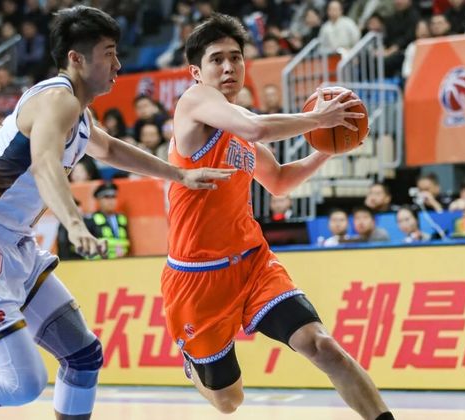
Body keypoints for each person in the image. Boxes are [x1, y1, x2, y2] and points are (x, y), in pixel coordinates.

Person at [0, 6, 233, 420]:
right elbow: (44, 164)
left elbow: (110, 149)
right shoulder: (57, 100)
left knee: (83, 356)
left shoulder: (77, 112)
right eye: (108, 53)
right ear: (76, 58)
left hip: (12, 243)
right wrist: (75, 224)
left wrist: (179, 174)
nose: (118, 64)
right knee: (22, 384)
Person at [161, 14, 393, 420]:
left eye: (236, 57)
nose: (229, 67)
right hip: (197, 278)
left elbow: (281, 181)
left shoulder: (240, 127)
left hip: (253, 264)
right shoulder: (194, 102)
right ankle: (194, 367)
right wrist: (320, 120)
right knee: (229, 402)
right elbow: (256, 128)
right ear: (196, 72)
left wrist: (327, 149)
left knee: (323, 346)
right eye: (217, 59)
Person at [82, 182, 129, 258]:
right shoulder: (90, 220)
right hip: (100, 261)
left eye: (113, 197)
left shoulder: (122, 218)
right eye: (106, 197)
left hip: (122, 260)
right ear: (99, 200)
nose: (111, 201)